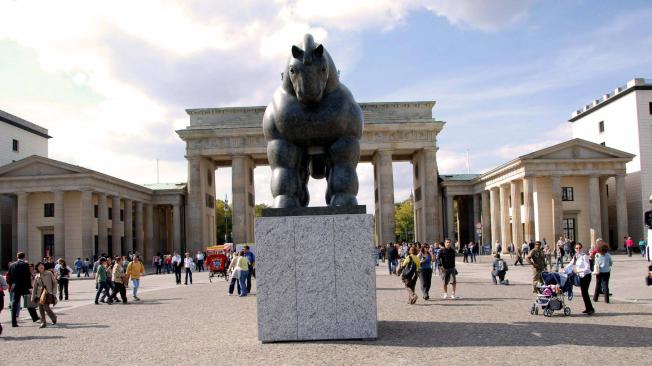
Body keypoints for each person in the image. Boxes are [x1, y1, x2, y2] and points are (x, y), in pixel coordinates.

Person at [7, 252, 32, 327]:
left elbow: (9, 277)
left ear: (17, 257)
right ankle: (35, 317)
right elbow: (28, 276)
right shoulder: (25, 264)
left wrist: (11, 285)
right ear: (24, 257)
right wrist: (29, 286)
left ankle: (13, 322)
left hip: (15, 287)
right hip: (24, 286)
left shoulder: (11, 265)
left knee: (14, 304)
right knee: (28, 302)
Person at [32, 262, 58, 328]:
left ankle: (53, 317)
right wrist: (33, 297)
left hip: (48, 293)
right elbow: (34, 288)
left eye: (42, 265)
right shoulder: (37, 276)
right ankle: (43, 322)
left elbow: (55, 283)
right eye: (39, 266)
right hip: (40, 294)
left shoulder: (49, 273)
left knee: (46, 307)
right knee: (40, 308)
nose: (41, 267)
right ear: (37, 268)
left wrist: (54, 293)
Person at [572, 242, 595, 315]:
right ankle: (588, 308)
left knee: (585, 292)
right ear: (575, 249)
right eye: (577, 248)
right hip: (581, 276)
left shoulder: (584, 256)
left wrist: (578, 271)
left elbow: (587, 268)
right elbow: (571, 264)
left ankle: (590, 309)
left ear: (582, 248)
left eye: (579, 248)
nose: (578, 249)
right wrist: (563, 269)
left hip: (586, 276)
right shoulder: (575, 256)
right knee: (584, 293)